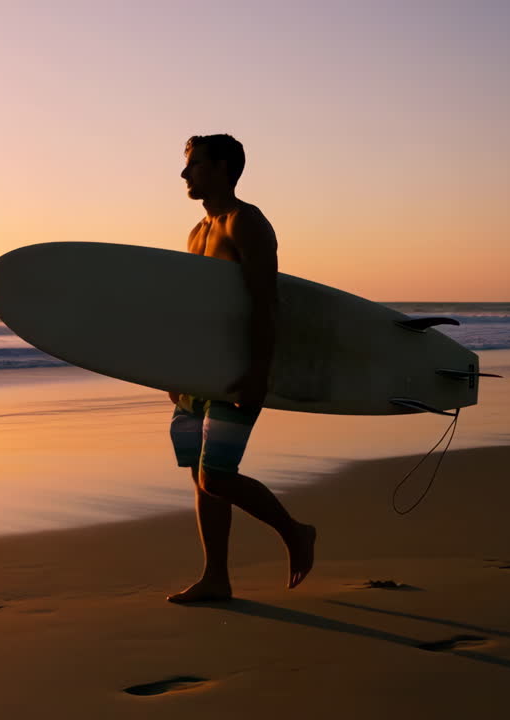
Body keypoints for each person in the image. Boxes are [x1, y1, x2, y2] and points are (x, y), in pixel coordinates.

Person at [166, 134, 317, 603]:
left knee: (218, 475)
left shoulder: (246, 223)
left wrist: (258, 372)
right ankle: (216, 577)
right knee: (199, 475)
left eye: (194, 165)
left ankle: (295, 531)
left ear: (223, 167)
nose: (185, 174)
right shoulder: (196, 232)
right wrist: (169, 369)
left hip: (236, 369)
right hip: (199, 372)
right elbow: (195, 310)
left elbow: (264, 304)